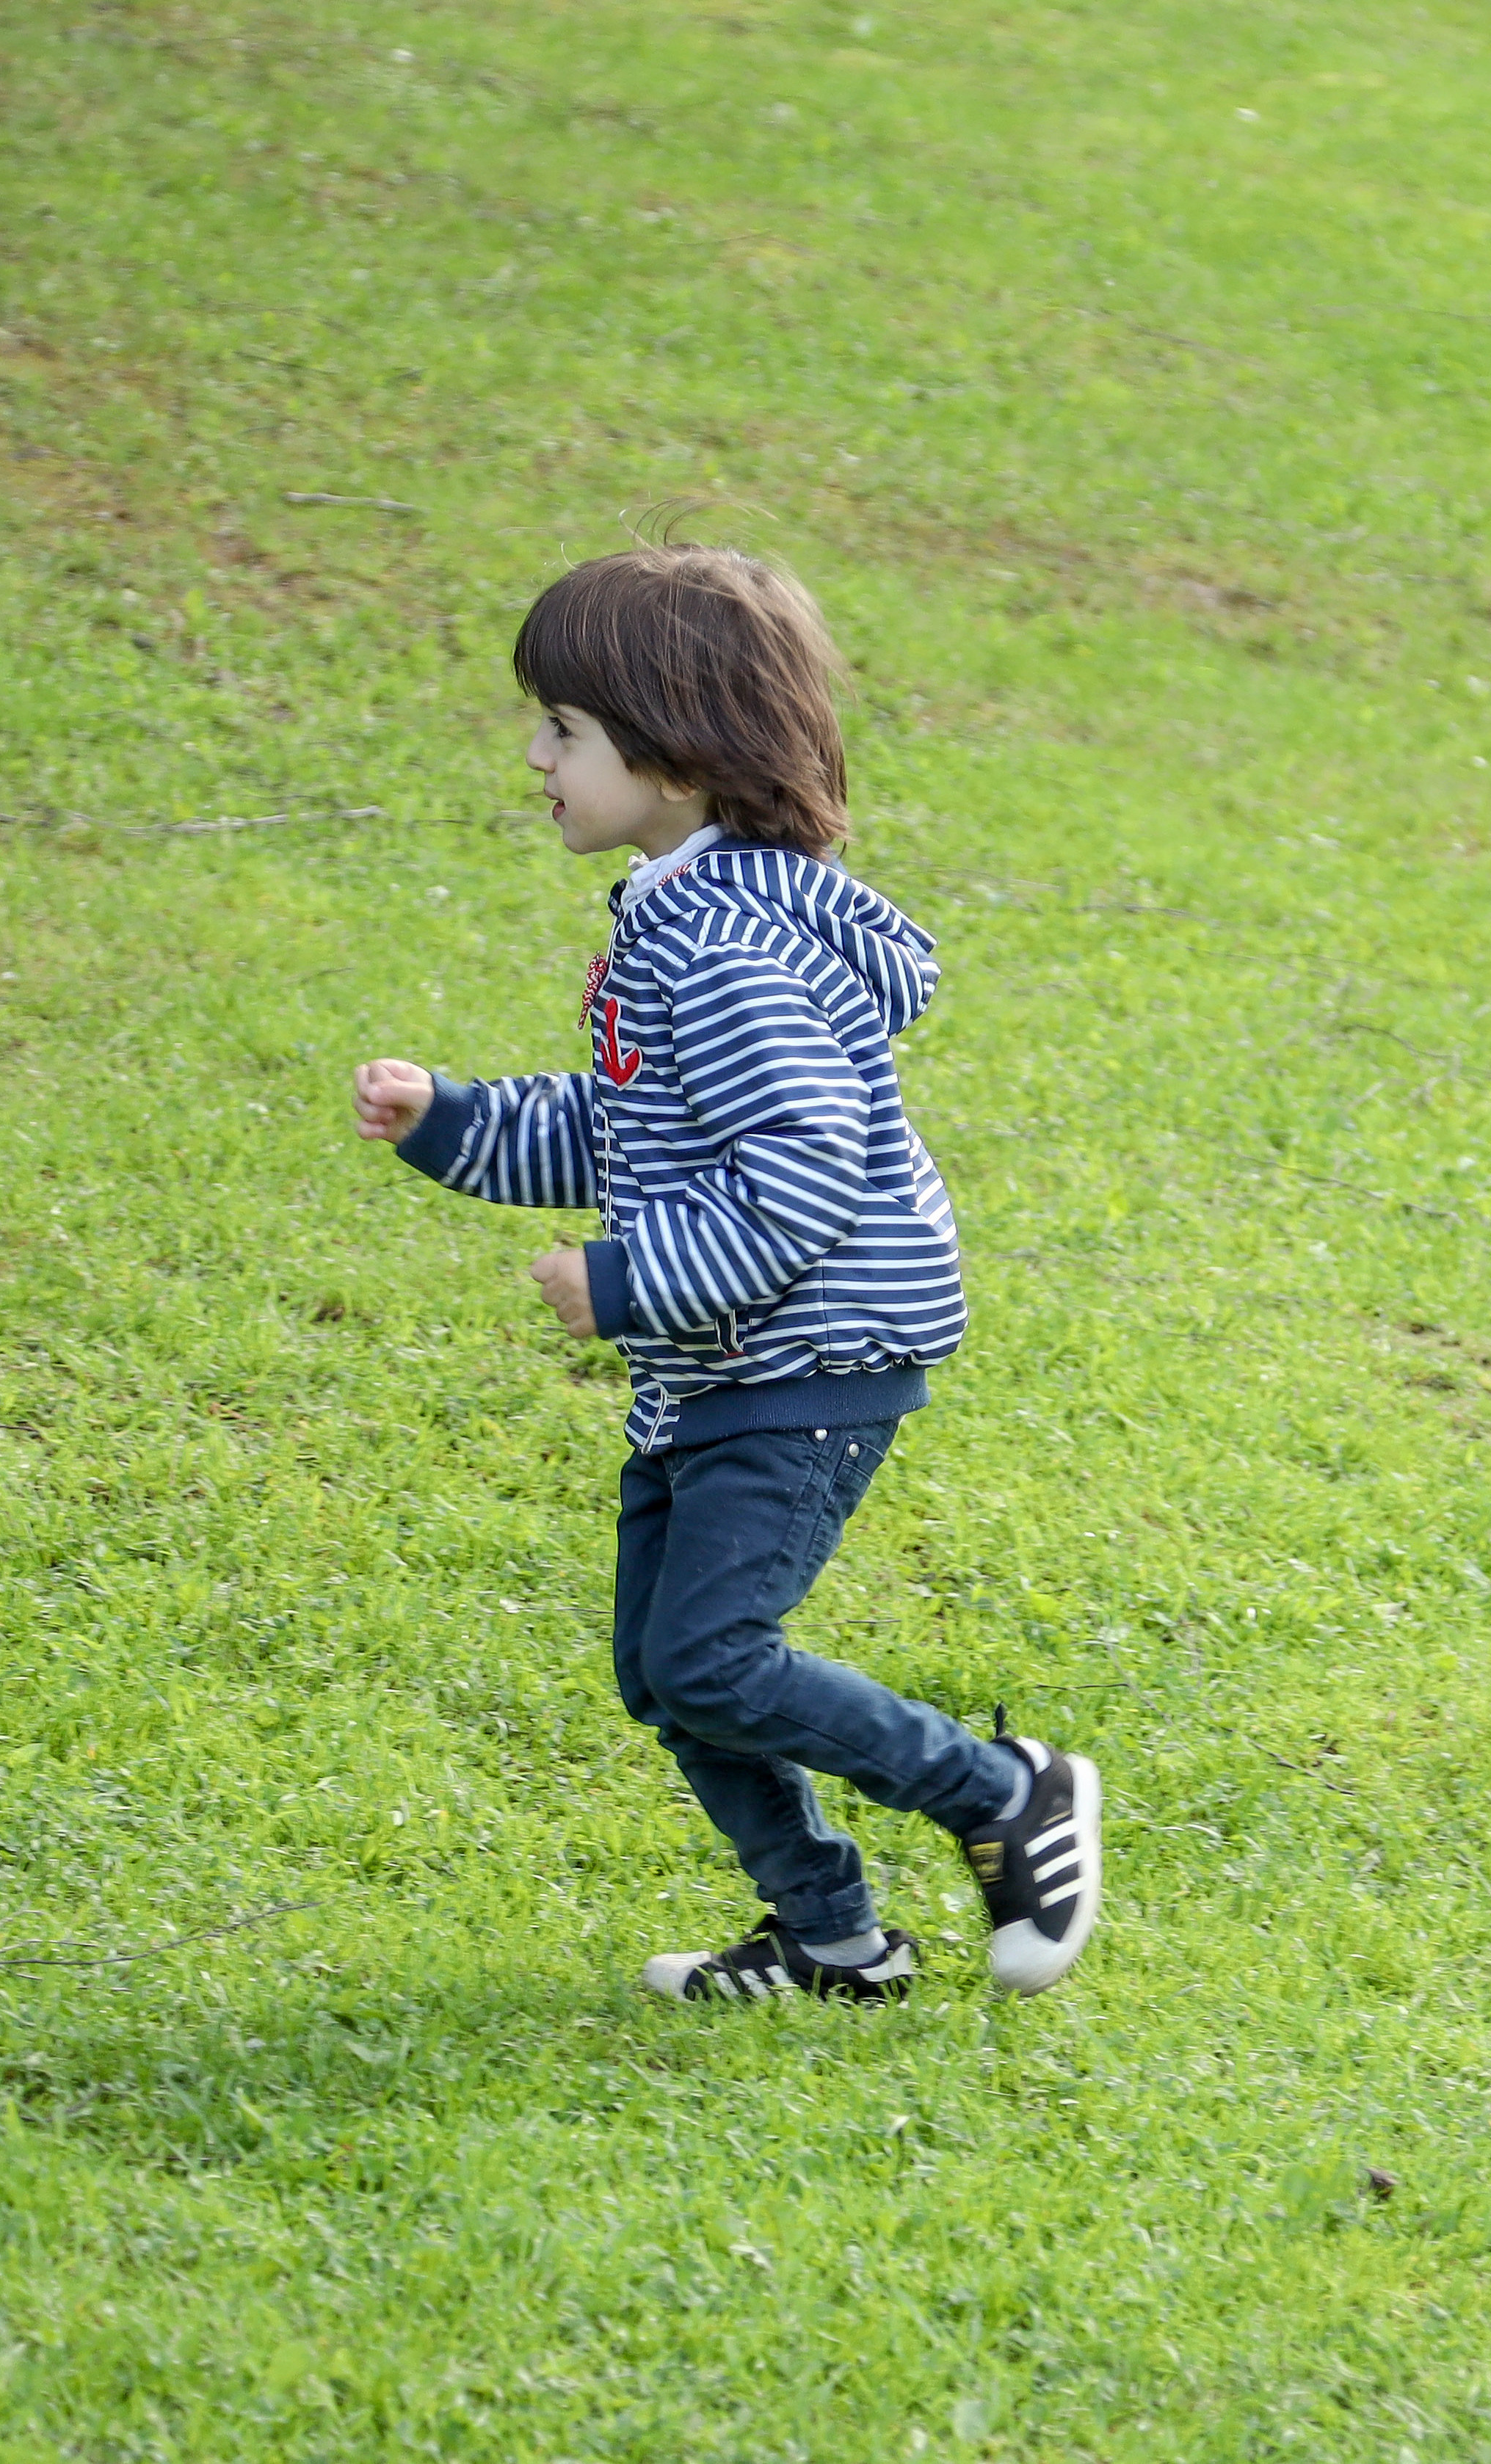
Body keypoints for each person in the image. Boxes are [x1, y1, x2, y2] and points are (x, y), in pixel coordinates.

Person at [352, 544, 1100, 2005]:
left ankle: (1003, 1790)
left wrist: (627, 1281)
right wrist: (452, 1119)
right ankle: (834, 1942)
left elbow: (802, 1170)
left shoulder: (728, 942)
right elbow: (634, 1125)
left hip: (804, 1358)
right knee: (666, 1667)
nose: (534, 754)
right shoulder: (679, 912)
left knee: (708, 1656)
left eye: (563, 728)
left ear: (677, 750)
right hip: (727, 1358)